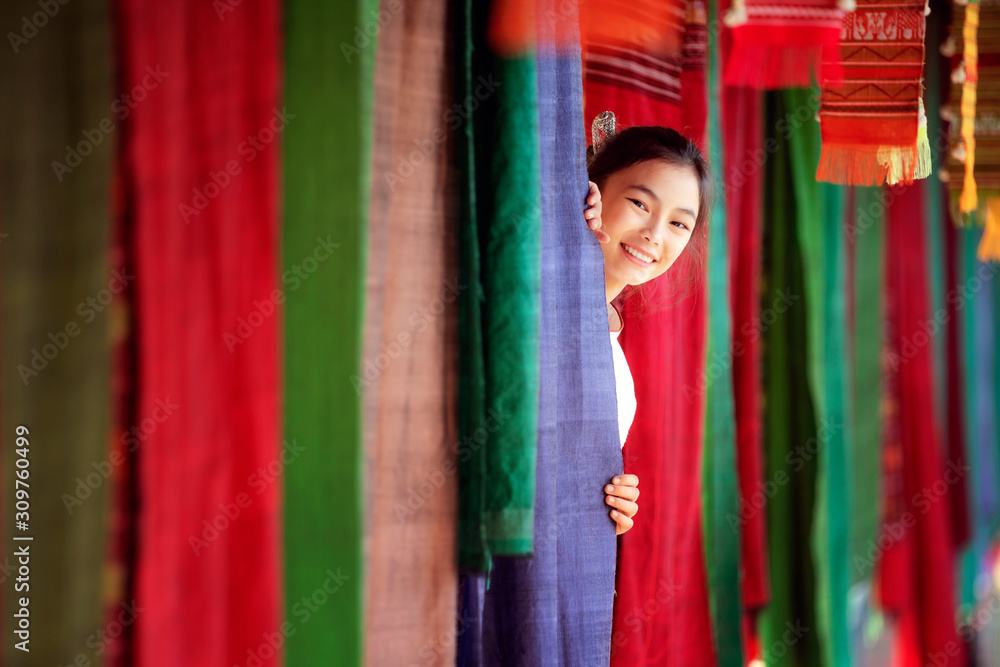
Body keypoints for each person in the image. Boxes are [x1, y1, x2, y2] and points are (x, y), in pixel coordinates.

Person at [582, 125, 712, 535]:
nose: (655, 235)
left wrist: (612, 509)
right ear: (594, 191)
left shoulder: (613, 351)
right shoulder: (536, 300)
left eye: (678, 224)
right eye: (640, 202)